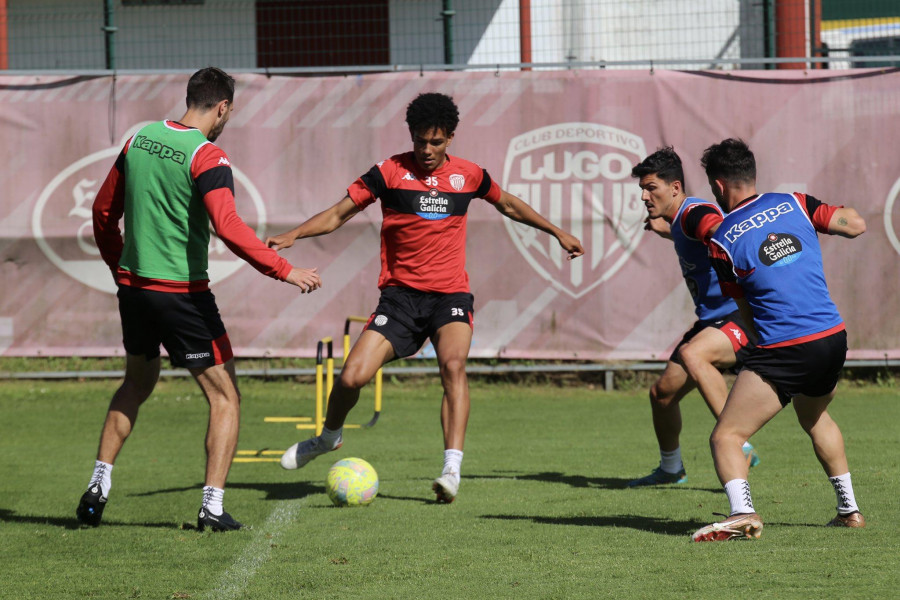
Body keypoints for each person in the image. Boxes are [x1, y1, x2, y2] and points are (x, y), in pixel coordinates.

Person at [268, 92, 584, 503]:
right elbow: (337, 213)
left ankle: (451, 469)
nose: (427, 150)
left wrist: (557, 231)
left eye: (435, 142)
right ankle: (329, 438)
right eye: (420, 141)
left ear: (450, 138)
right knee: (351, 377)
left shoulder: (469, 175)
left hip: (449, 296)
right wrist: (296, 233)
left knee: (453, 365)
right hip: (399, 299)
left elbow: (507, 203)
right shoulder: (388, 172)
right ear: (411, 137)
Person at [79, 67, 322, 531]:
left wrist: (119, 267)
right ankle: (211, 506)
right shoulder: (208, 156)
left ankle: (98, 485)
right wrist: (285, 270)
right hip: (181, 296)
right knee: (226, 397)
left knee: (136, 384)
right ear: (223, 107)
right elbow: (229, 228)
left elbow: (102, 212)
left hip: (134, 290)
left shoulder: (140, 139)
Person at [692, 138, 866, 542]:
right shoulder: (796, 203)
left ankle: (742, 513)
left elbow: (745, 311)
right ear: (751, 174)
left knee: (727, 436)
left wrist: (760, 352)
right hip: (832, 338)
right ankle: (849, 511)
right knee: (815, 417)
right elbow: (855, 225)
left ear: (718, 186)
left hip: (787, 348)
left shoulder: (721, 240)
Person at [628, 147, 759, 487]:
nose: (644, 195)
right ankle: (672, 469)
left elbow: (715, 228)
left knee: (694, 353)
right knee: (662, 395)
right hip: (711, 319)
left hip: (738, 316)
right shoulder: (679, 219)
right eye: (642, 189)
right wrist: (662, 227)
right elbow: (690, 233)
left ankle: (739, 443)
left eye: (651, 188)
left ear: (675, 187)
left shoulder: (695, 211)